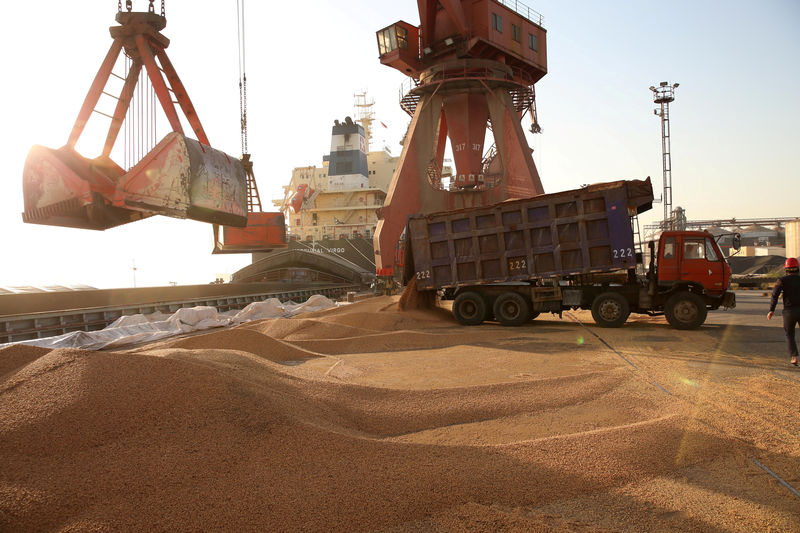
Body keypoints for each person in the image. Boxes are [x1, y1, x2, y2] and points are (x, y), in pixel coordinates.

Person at [767, 257, 800, 366]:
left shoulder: (782, 280)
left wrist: (771, 310)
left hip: (789, 312)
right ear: (798, 268)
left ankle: (794, 357)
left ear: (786, 269)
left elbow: (774, 295)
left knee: (789, 334)